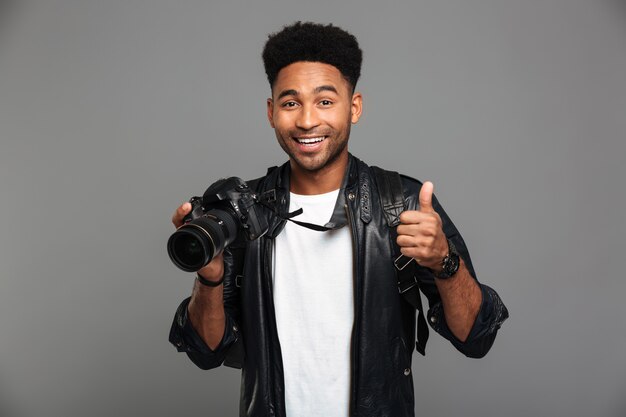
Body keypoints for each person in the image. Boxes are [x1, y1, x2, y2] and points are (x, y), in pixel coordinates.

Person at [169, 21, 508, 417]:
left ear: (355, 107)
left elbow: (476, 337)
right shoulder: (246, 210)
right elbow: (207, 352)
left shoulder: (400, 203)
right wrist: (209, 277)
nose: (308, 120)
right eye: (290, 103)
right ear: (271, 111)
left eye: (325, 101)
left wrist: (445, 262)